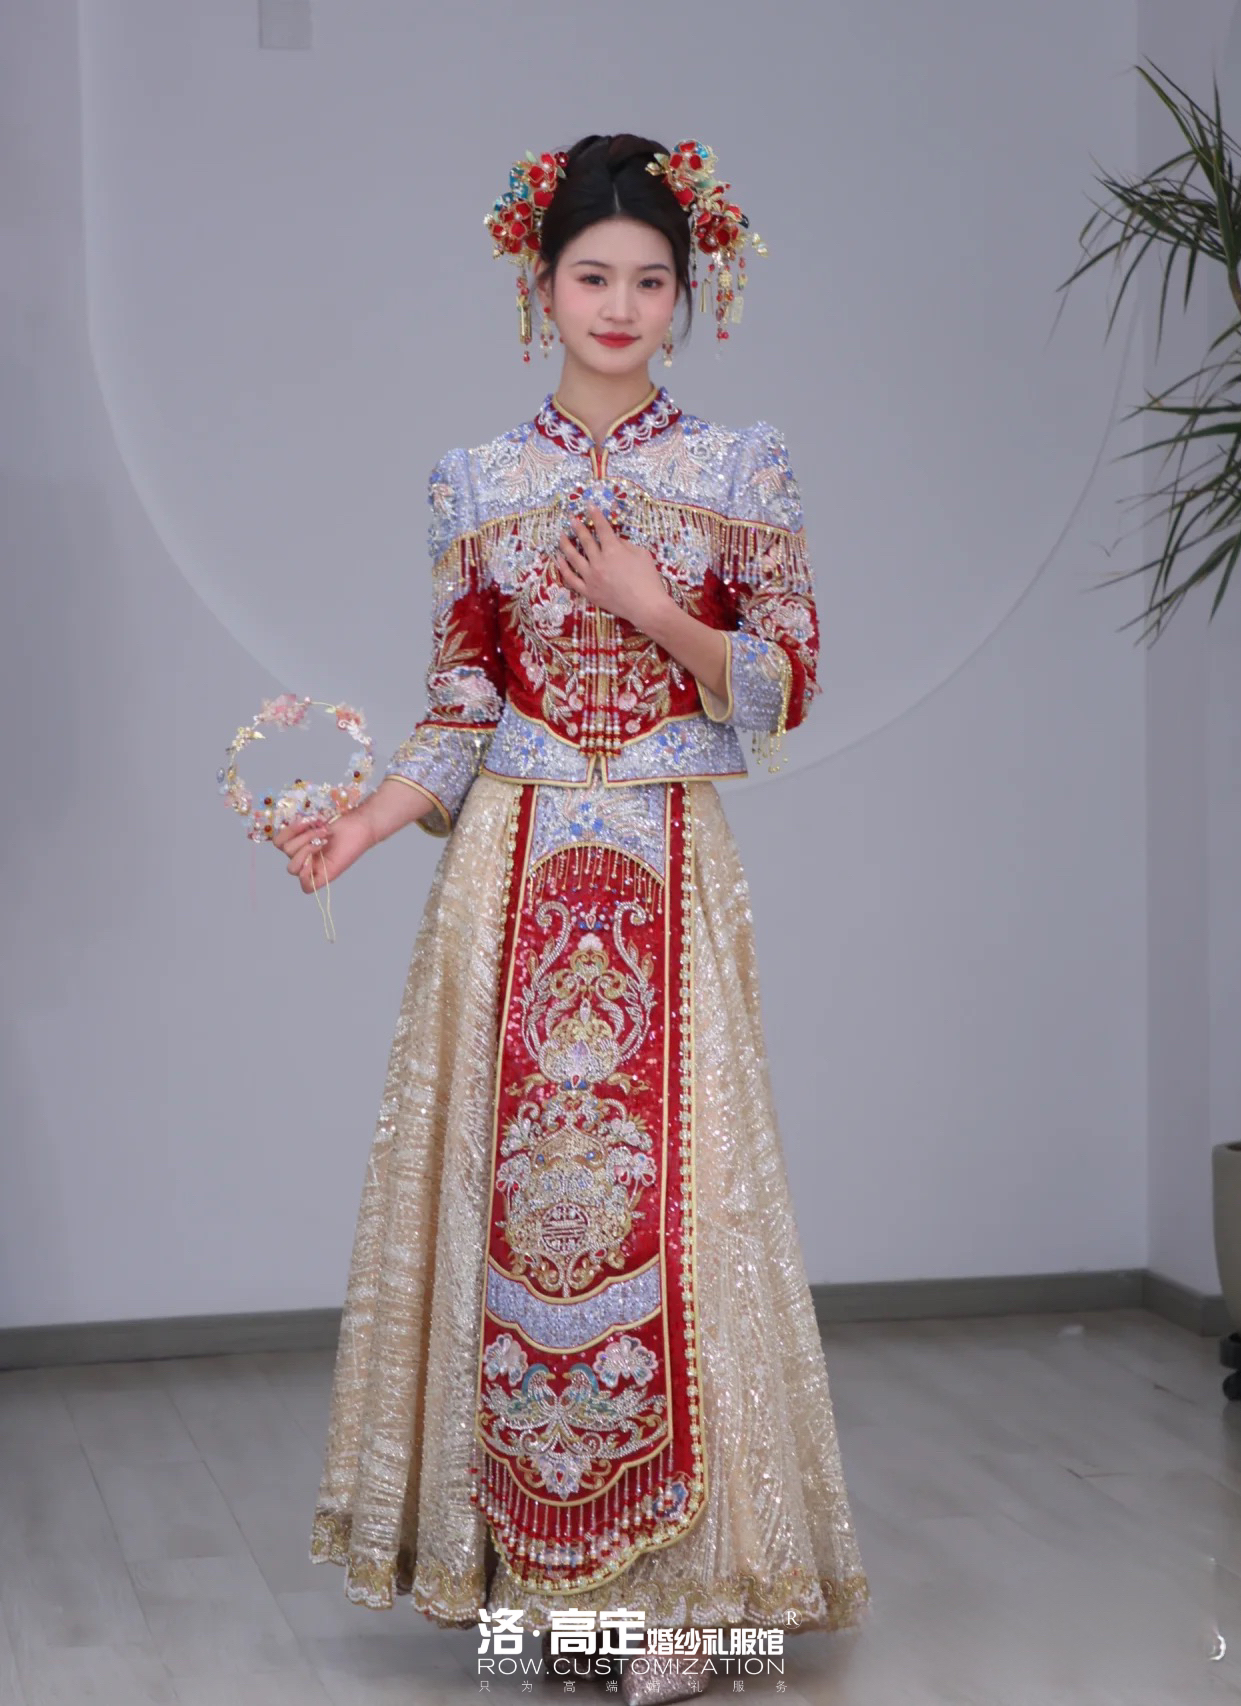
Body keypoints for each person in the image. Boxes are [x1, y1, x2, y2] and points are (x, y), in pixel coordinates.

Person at [279, 132, 869, 1705]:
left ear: (691, 293)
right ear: (538, 285)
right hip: (519, 868)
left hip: (667, 856)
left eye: (651, 280)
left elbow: (787, 683)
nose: (620, 305)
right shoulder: (479, 484)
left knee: (680, 1203)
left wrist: (657, 610)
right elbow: (460, 706)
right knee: (524, 1208)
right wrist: (361, 824)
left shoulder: (740, 470)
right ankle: (544, 1584)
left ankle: (689, 1595)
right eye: (592, 276)